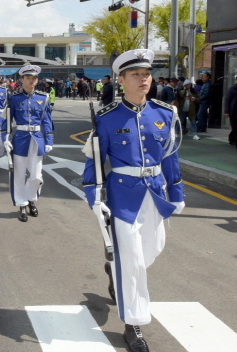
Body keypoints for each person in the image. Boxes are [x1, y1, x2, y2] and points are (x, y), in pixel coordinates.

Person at [82, 49, 185, 352]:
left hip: (154, 195)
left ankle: (113, 269)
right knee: (133, 263)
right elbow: (95, 161)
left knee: (150, 252)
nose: (144, 79)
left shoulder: (165, 114)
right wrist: (93, 197)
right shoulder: (107, 117)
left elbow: (170, 158)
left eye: (147, 74)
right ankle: (133, 324)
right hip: (122, 196)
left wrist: (176, 193)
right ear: (121, 80)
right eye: (136, 75)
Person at [5, 65, 53, 222]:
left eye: (34, 78)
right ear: (21, 80)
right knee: (18, 174)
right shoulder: (14, 97)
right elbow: (6, 120)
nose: (31, 81)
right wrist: (5, 137)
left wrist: (49, 140)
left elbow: (47, 121)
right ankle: (22, 204)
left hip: (37, 138)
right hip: (20, 138)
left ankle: (32, 199)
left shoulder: (43, 97)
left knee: (36, 175)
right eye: (28, 78)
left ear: (37, 80)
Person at [224, 72, 237, 152]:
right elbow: (227, 100)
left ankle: (235, 140)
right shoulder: (232, 89)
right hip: (233, 110)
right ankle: (232, 139)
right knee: (235, 127)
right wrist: (226, 111)